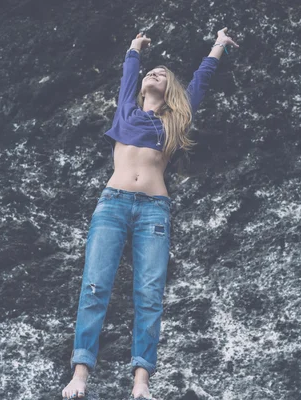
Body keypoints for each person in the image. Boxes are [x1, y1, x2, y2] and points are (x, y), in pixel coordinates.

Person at [62, 27, 240, 400]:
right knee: (95, 286)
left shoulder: (174, 122)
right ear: (142, 88)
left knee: (149, 294)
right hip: (112, 203)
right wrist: (133, 49)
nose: (154, 74)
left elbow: (200, 81)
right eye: (150, 73)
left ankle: (141, 384)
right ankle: (80, 376)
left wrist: (219, 45)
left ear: (170, 89)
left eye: (162, 73)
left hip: (153, 211)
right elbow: (129, 75)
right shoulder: (126, 109)